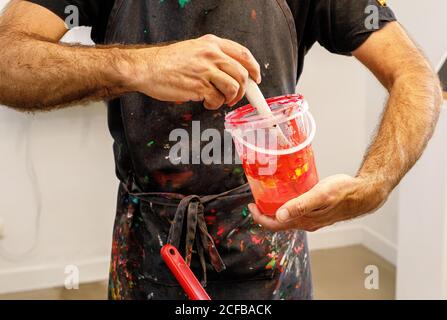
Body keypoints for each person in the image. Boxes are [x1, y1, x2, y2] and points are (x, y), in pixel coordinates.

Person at [0, 0, 442, 300]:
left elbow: (415, 75)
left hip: (270, 249)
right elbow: (7, 59)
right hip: (150, 254)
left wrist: (375, 184)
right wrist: (137, 64)